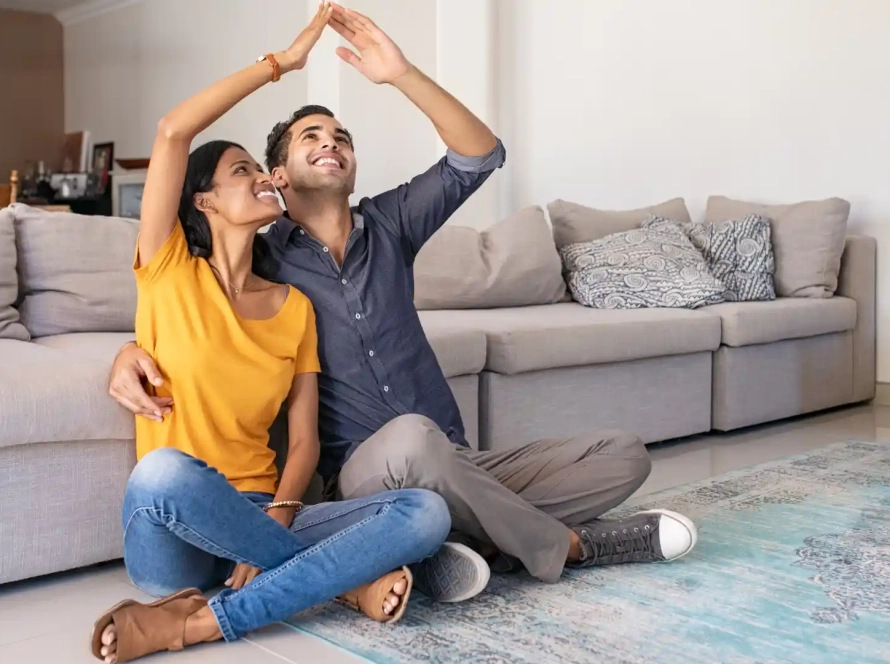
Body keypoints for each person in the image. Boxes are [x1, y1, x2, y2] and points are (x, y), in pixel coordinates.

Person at [108, 2, 699, 601]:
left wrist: (401, 74)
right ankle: (564, 546)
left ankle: (473, 536)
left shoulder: (382, 230)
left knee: (623, 454)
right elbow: (186, 298)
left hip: (450, 461)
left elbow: (478, 155)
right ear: (278, 177)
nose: (330, 142)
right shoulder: (262, 259)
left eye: (341, 136)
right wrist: (128, 348)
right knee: (412, 441)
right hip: (368, 475)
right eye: (308, 137)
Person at [91, 6, 460, 663]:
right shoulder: (168, 267)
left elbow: (306, 439)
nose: (263, 178)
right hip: (173, 537)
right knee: (161, 473)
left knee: (425, 515)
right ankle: (342, 586)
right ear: (204, 201)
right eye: (241, 172)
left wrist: (281, 514)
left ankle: (201, 623)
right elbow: (173, 132)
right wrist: (279, 66)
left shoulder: (293, 305)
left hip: (267, 512)